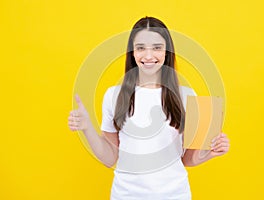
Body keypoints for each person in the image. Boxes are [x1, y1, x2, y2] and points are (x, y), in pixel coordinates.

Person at [68, 16, 230, 200]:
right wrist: (87, 127)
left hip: (175, 195)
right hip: (126, 195)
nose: (148, 55)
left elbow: (187, 159)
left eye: (157, 48)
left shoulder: (186, 95)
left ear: (167, 52)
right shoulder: (114, 95)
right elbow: (110, 157)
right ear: (132, 52)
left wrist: (211, 151)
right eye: (141, 48)